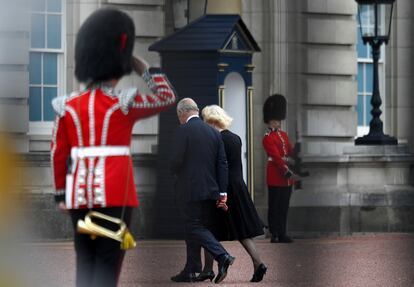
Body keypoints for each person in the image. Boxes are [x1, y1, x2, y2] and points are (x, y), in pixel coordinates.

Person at [50, 8, 176, 287]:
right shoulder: (123, 105)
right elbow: (167, 97)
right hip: (116, 192)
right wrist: (140, 65)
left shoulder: (67, 107)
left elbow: (58, 153)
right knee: (108, 261)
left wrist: (60, 193)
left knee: (85, 260)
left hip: (79, 194)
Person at [199, 105, 268, 283]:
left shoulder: (215, 140)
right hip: (238, 186)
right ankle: (258, 263)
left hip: (222, 188)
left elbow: (216, 167)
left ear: (212, 121)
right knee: (243, 231)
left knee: (208, 228)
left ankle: (208, 268)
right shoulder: (235, 138)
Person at [170, 98, 235, 284]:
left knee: (192, 226)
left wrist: (173, 172)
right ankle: (191, 269)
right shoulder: (214, 133)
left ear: (182, 113)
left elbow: (176, 160)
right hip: (211, 189)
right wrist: (223, 192)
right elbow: (222, 164)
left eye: (179, 116)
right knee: (197, 228)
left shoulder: (183, 130)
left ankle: (222, 256)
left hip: (190, 188)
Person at [262, 94, 298, 244]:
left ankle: (282, 232)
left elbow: (290, 151)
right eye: (276, 121)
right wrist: (285, 169)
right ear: (270, 121)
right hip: (275, 174)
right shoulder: (267, 137)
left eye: (278, 120)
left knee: (284, 206)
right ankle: (274, 233)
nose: (278, 123)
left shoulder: (284, 135)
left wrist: (299, 149)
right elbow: (275, 157)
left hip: (286, 178)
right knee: (274, 206)